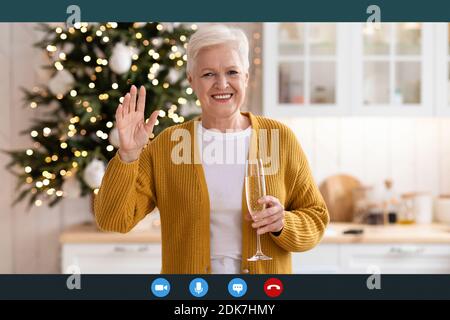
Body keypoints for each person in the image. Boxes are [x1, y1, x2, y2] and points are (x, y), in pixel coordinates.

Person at [94, 24, 329, 274]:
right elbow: (113, 220)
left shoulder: (278, 138)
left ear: (246, 77)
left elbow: (316, 218)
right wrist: (128, 155)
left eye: (232, 72)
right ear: (191, 81)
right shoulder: (168, 144)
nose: (222, 83)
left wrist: (284, 223)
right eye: (208, 74)